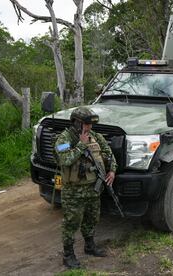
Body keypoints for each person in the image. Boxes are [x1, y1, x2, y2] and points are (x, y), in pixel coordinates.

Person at [54, 107, 117, 269]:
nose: (89, 128)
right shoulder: (64, 139)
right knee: (71, 223)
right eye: (86, 124)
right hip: (73, 192)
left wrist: (112, 170)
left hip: (93, 189)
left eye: (90, 124)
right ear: (76, 122)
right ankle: (68, 255)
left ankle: (89, 246)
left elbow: (109, 154)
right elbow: (64, 160)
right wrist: (81, 145)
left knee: (92, 219)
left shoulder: (95, 137)